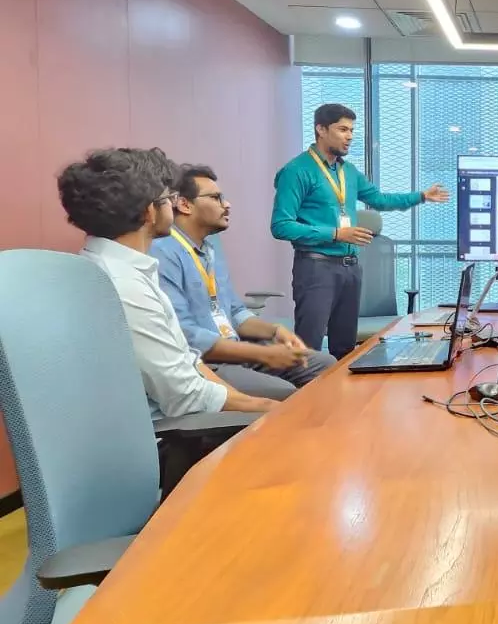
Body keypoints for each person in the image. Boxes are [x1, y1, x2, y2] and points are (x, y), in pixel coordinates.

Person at [58, 148, 277, 418]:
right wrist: (267, 408)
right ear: (150, 211)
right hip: (171, 430)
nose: (173, 206)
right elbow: (185, 396)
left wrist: (248, 401)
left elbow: (188, 362)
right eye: (168, 199)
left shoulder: (117, 266)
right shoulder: (124, 285)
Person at [272, 103, 450, 358]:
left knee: (345, 349)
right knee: (309, 349)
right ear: (321, 129)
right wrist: (335, 234)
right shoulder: (296, 171)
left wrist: (421, 196)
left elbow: (380, 200)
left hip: (350, 267)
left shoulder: (348, 171)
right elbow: (281, 225)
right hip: (316, 267)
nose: (349, 136)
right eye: (342, 129)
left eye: (352, 130)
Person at [152, 165, 337, 401]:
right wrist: (261, 354)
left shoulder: (209, 249)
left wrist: (275, 331)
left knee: (326, 365)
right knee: (283, 391)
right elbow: (186, 335)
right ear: (184, 205)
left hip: (236, 351)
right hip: (206, 362)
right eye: (216, 198)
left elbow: (235, 312)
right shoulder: (163, 253)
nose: (227, 204)